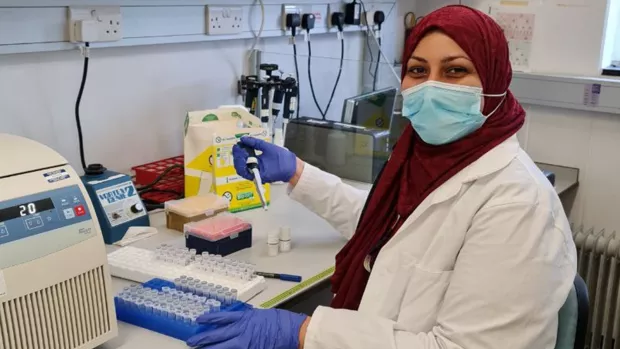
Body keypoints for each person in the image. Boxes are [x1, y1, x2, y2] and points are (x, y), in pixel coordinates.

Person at [188, 5, 577, 349]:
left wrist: (306, 333)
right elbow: (382, 224)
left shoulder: (517, 203)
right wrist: (296, 172)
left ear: (493, 81)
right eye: (418, 70)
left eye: (456, 71)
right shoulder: (425, 160)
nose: (431, 86)